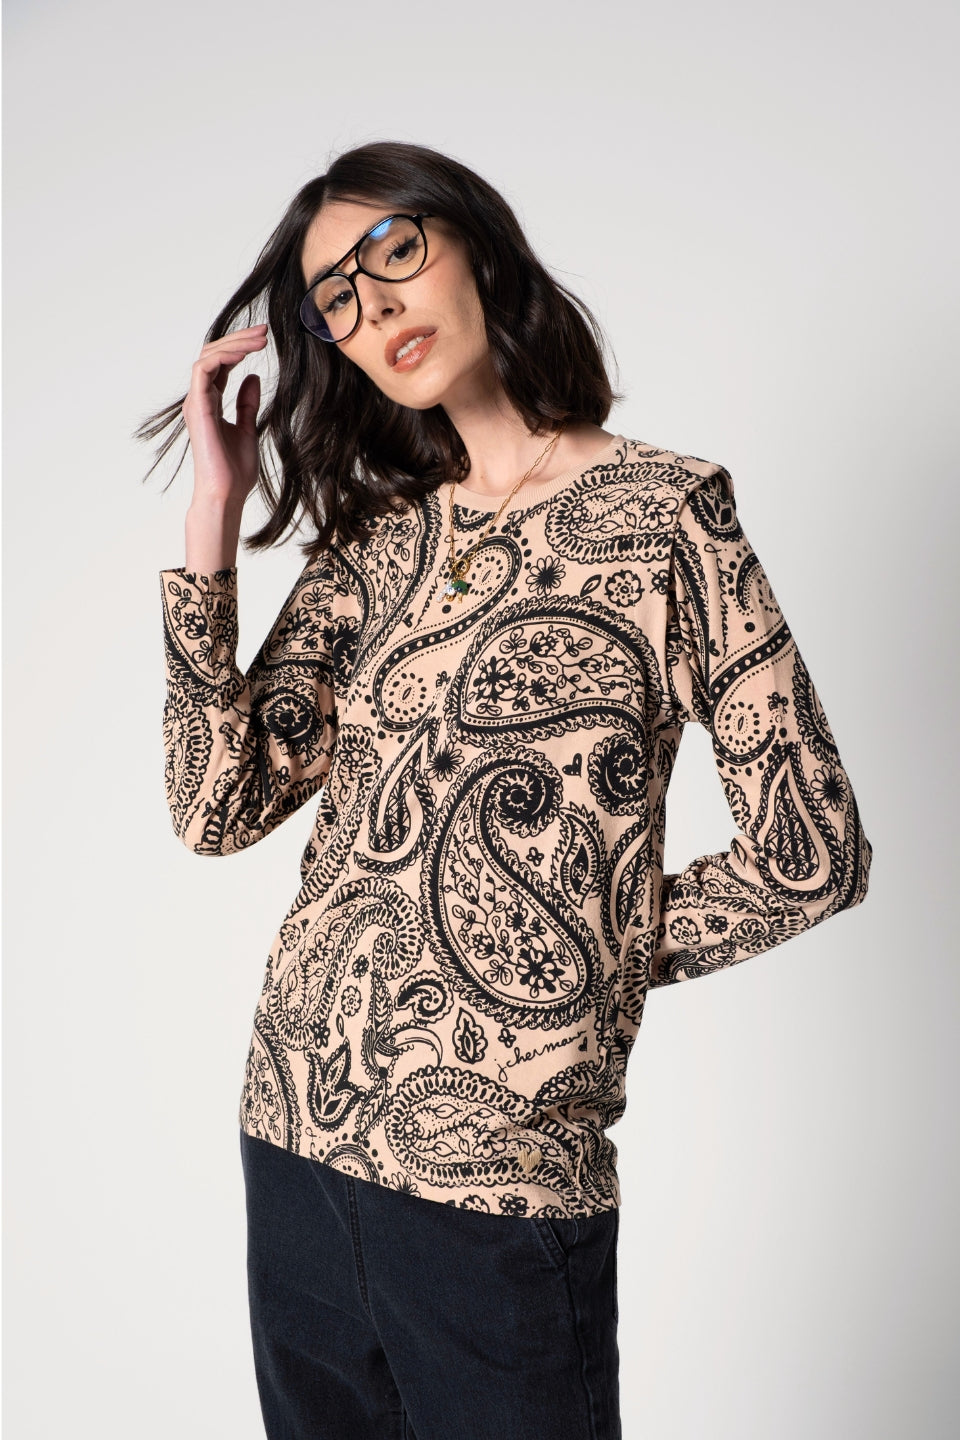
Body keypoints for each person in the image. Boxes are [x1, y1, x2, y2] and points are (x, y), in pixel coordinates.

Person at [138, 140, 873, 1440]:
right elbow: (216, 806)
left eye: (394, 251)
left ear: (477, 242)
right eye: (335, 299)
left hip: (503, 1177)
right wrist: (214, 510)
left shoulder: (666, 516)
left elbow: (812, 855)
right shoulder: (378, 540)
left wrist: (570, 962)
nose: (375, 304)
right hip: (295, 1138)